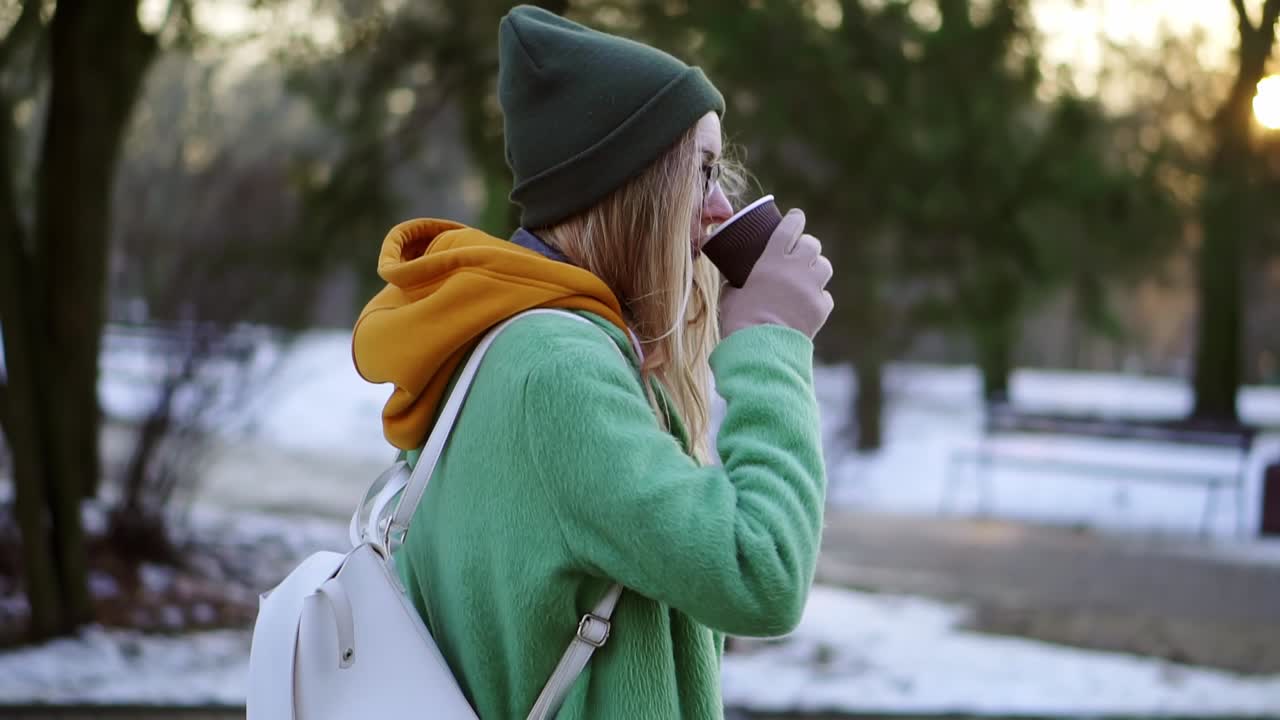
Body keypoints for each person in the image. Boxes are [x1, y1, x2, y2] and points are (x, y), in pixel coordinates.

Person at [351, 5, 834, 718]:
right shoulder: (557, 371)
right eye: (701, 171)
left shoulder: (508, 341)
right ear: (630, 186)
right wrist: (770, 338)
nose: (719, 207)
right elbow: (761, 572)